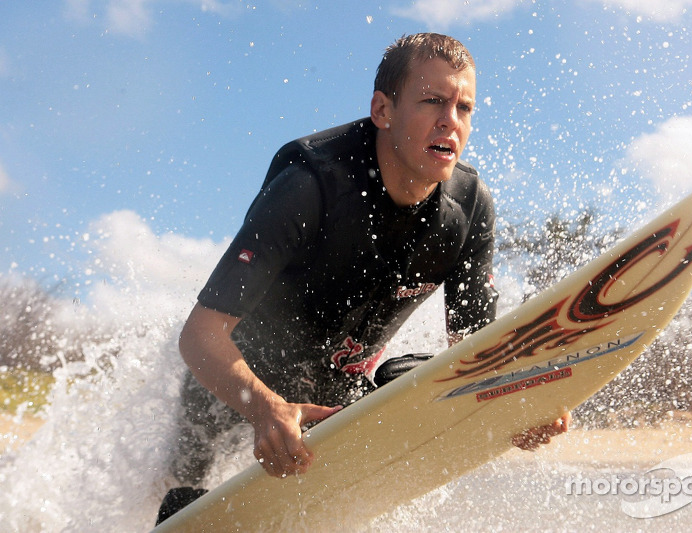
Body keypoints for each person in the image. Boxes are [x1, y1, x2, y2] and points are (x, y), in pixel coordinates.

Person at [158, 32, 568, 523]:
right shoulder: (309, 187)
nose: (450, 122)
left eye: (464, 108)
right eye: (432, 101)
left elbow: (475, 355)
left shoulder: (468, 209)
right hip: (235, 379)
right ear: (383, 110)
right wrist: (267, 409)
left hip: (337, 391)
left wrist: (511, 411)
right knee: (184, 502)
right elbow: (200, 335)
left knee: (408, 380)